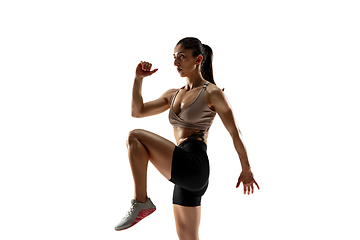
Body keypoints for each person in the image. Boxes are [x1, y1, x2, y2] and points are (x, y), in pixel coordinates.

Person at [115, 37, 259, 239]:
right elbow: (137, 111)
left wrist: (246, 169)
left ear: (198, 59)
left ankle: (141, 202)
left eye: (181, 57)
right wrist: (138, 79)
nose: (176, 63)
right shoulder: (173, 94)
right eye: (174, 58)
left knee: (135, 137)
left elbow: (235, 133)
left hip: (195, 164)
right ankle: (142, 203)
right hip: (182, 168)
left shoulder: (212, 93)